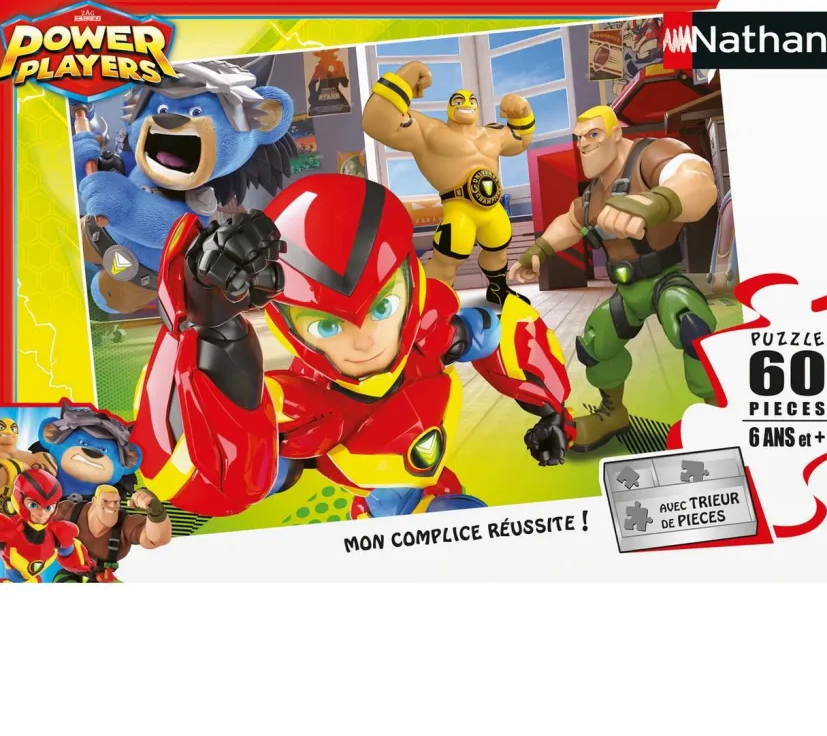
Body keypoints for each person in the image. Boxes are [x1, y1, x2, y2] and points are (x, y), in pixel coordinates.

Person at [131, 175, 575, 519]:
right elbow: (195, 477)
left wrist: (552, 408)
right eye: (327, 326)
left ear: (409, 283)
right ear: (288, 324)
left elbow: (500, 329)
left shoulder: (430, 330)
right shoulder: (309, 408)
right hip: (386, 509)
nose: (364, 340)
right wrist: (206, 333)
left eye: (383, 306)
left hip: (437, 484)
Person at [510, 105, 719, 451]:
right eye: (578, 138)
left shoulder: (649, 157)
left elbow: (697, 177)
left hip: (664, 281)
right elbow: (570, 222)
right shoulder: (593, 193)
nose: (584, 144)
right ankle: (613, 412)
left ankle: (717, 413)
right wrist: (539, 250)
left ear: (616, 134)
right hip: (628, 291)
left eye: (594, 134)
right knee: (596, 343)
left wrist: (657, 201)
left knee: (692, 327)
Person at [362, 61, 536, 305]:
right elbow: (376, 123)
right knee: (448, 258)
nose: (466, 103)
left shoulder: (493, 134)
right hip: (458, 209)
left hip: (492, 209)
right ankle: (431, 302)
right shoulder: (430, 130)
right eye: (458, 100)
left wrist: (523, 111)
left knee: (498, 249)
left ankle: (498, 289)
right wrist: (407, 76)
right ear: (449, 107)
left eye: (471, 100)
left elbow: (521, 140)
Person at [53, 486, 172, 582]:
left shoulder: (125, 525)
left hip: (103, 577)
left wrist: (156, 511)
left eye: (116, 502)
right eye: (106, 501)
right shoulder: (68, 512)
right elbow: (43, 519)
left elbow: (156, 539)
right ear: (95, 501)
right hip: (65, 571)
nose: (112, 506)